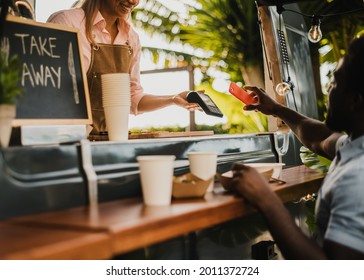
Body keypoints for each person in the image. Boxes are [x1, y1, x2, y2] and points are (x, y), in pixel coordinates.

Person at [230, 35, 364, 259]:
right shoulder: (353, 146)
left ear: (355, 101)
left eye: (335, 83)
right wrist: (276, 109)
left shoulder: (357, 177)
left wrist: (266, 199)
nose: (329, 90)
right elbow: (321, 137)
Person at [47, 0, 200, 137]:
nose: (133, 1)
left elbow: (132, 97)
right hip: (66, 140)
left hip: (112, 142)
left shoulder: (131, 38)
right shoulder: (66, 23)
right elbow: (47, 89)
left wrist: (173, 99)